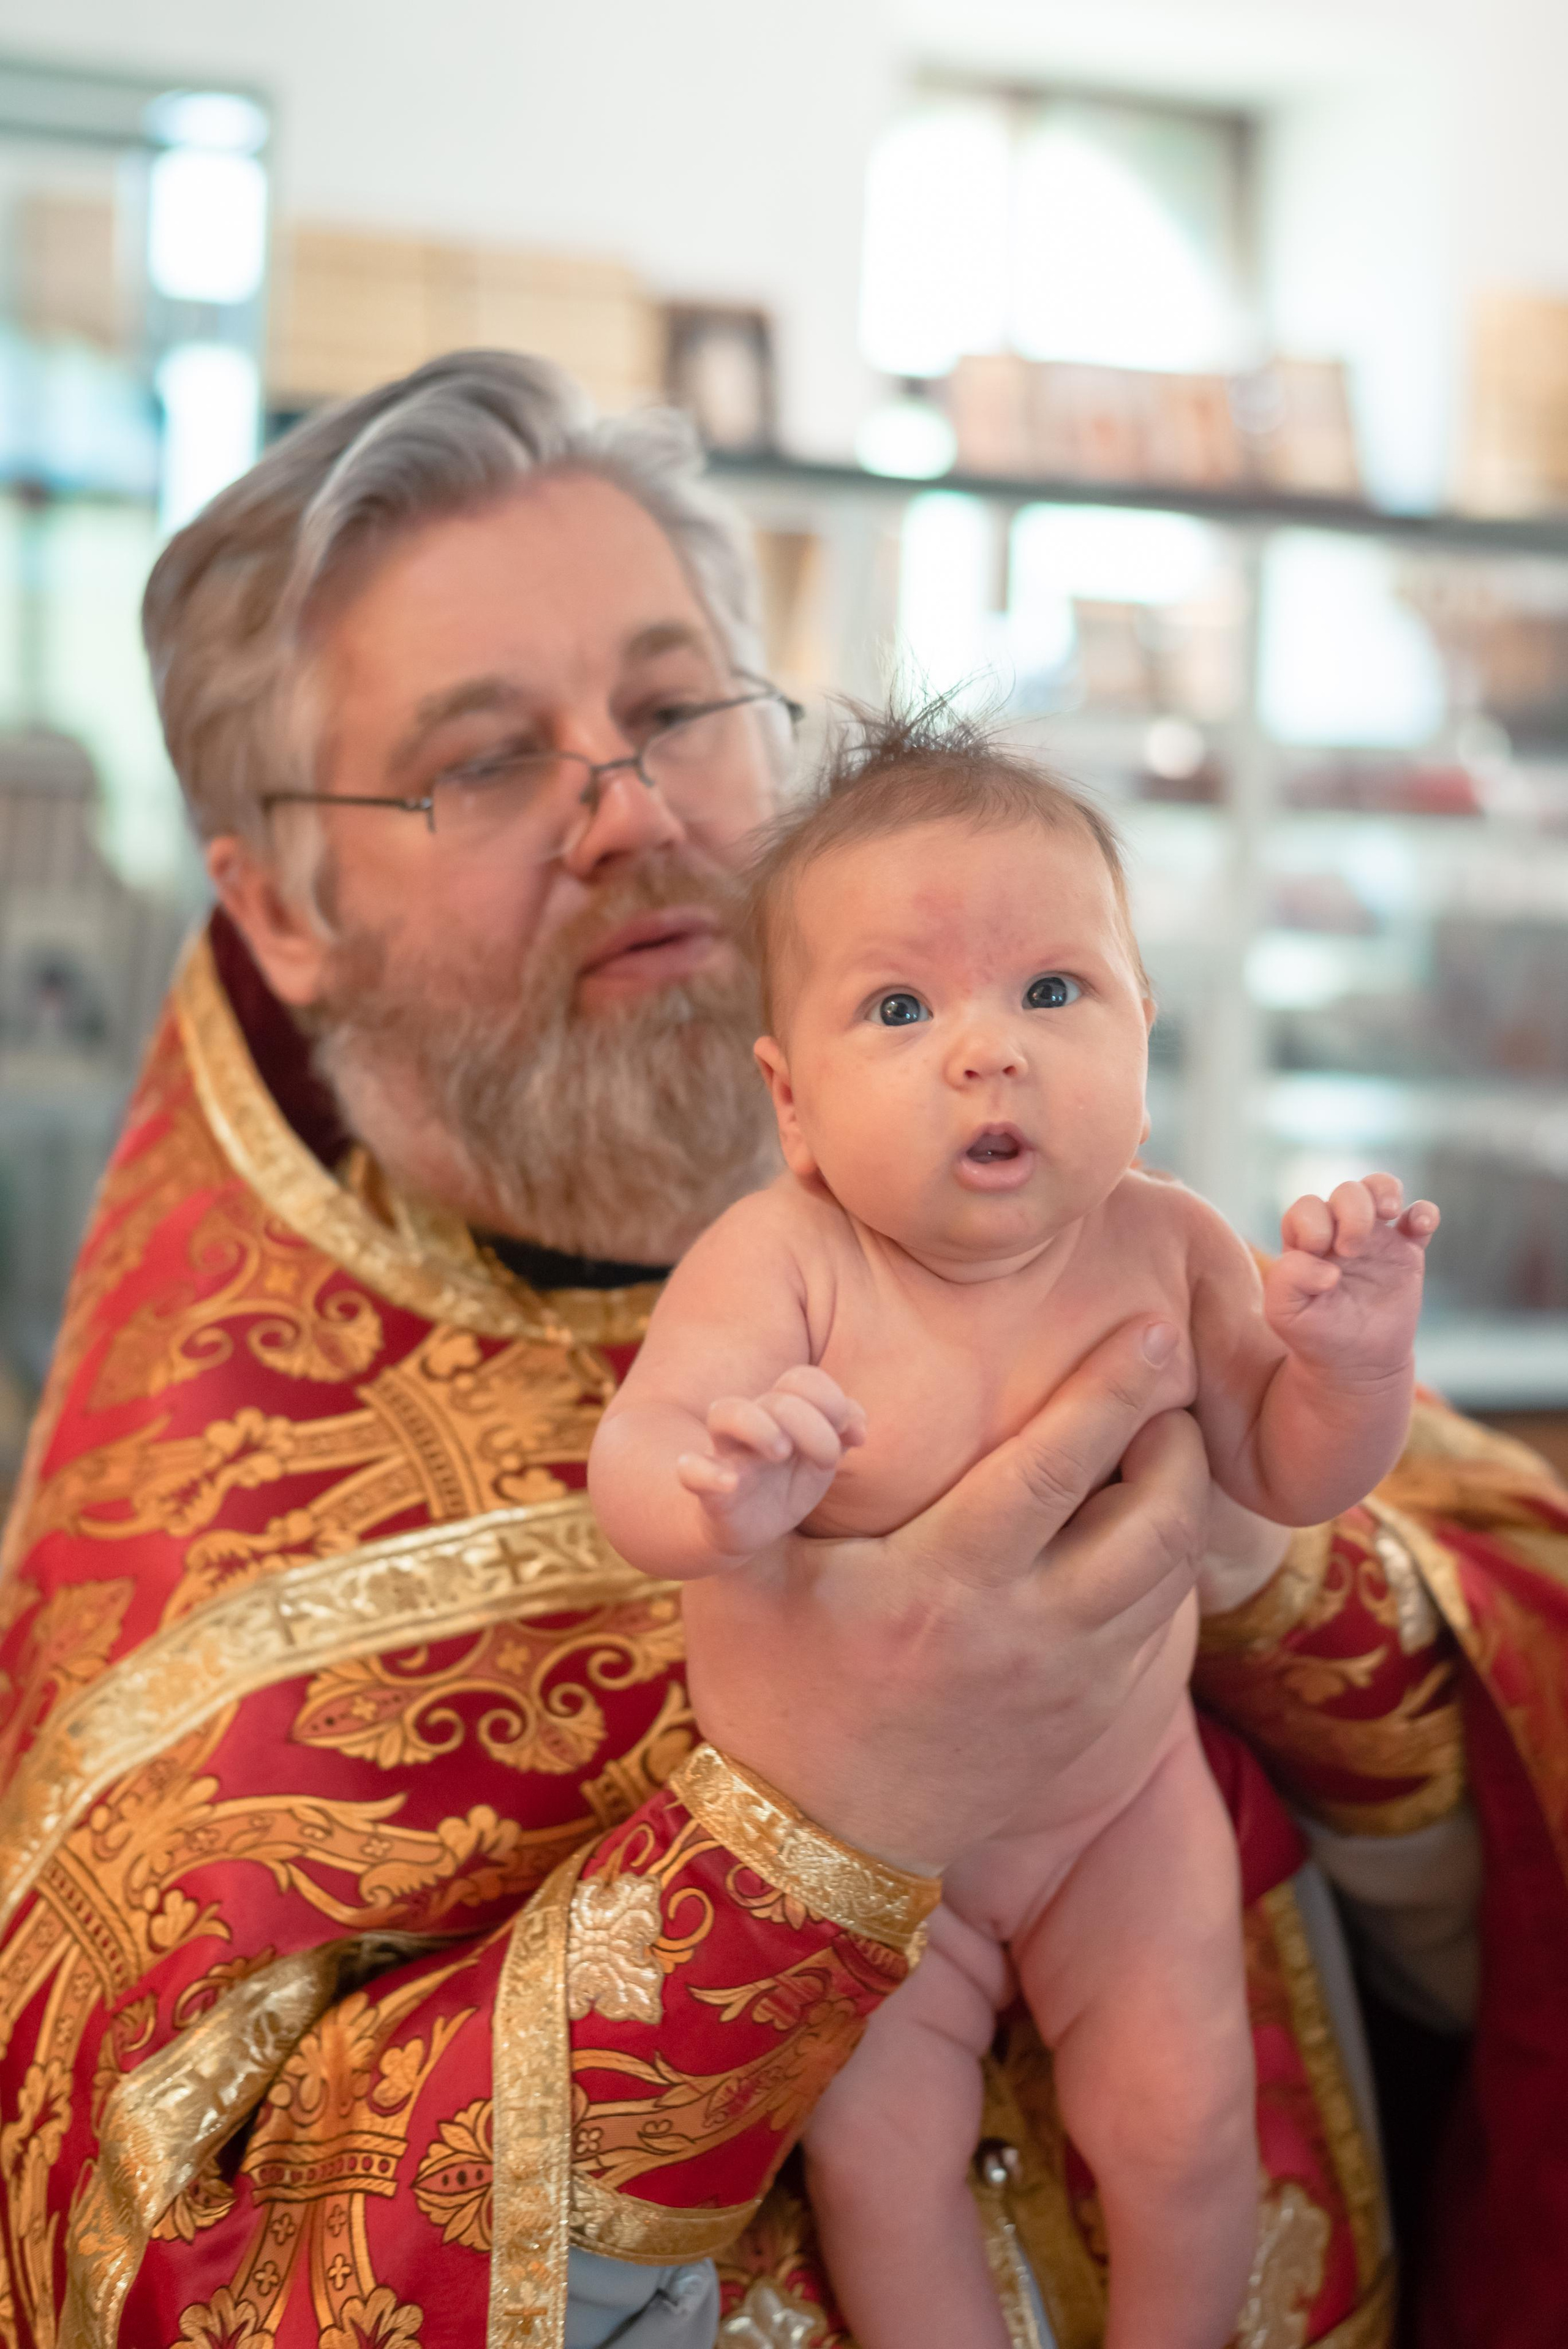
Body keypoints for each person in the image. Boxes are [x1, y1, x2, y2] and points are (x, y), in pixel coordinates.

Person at [0, 348, 1547, 2349]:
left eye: (673, 710)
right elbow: (171, 2264)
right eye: (488, 761)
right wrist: (804, 1823)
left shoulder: (1097, 1221)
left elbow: (1498, 1777)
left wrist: (1239, 1539)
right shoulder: (204, 1537)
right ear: (279, 909)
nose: (631, 810)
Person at [592, 718, 1438, 2349]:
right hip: (862, 1839)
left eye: (1054, 990)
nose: (990, 1054)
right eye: (901, 1009)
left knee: (1186, 2121)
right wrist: (713, 1486)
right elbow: (637, 1451)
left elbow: (1288, 1467)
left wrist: (1353, 1364)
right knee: (881, 2153)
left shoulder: (1169, 1244)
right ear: (791, 1100)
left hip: (1116, 1804)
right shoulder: (785, 1261)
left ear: (1145, 1028)